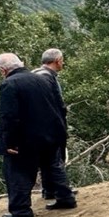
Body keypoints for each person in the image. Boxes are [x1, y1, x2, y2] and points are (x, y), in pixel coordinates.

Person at [0, 53, 76, 217]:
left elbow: (9, 116)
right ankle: (66, 198)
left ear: (2, 70)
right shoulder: (42, 79)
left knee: (18, 172)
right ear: (21, 63)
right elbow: (57, 106)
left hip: (26, 139)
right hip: (50, 134)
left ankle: (21, 210)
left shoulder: (9, 84)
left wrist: (9, 141)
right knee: (53, 166)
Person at [33, 48, 72, 201]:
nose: (63, 63)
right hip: (51, 126)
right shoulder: (44, 77)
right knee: (54, 159)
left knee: (50, 159)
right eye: (62, 60)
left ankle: (50, 190)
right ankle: (58, 191)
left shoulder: (41, 75)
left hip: (48, 126)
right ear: (57, 61)